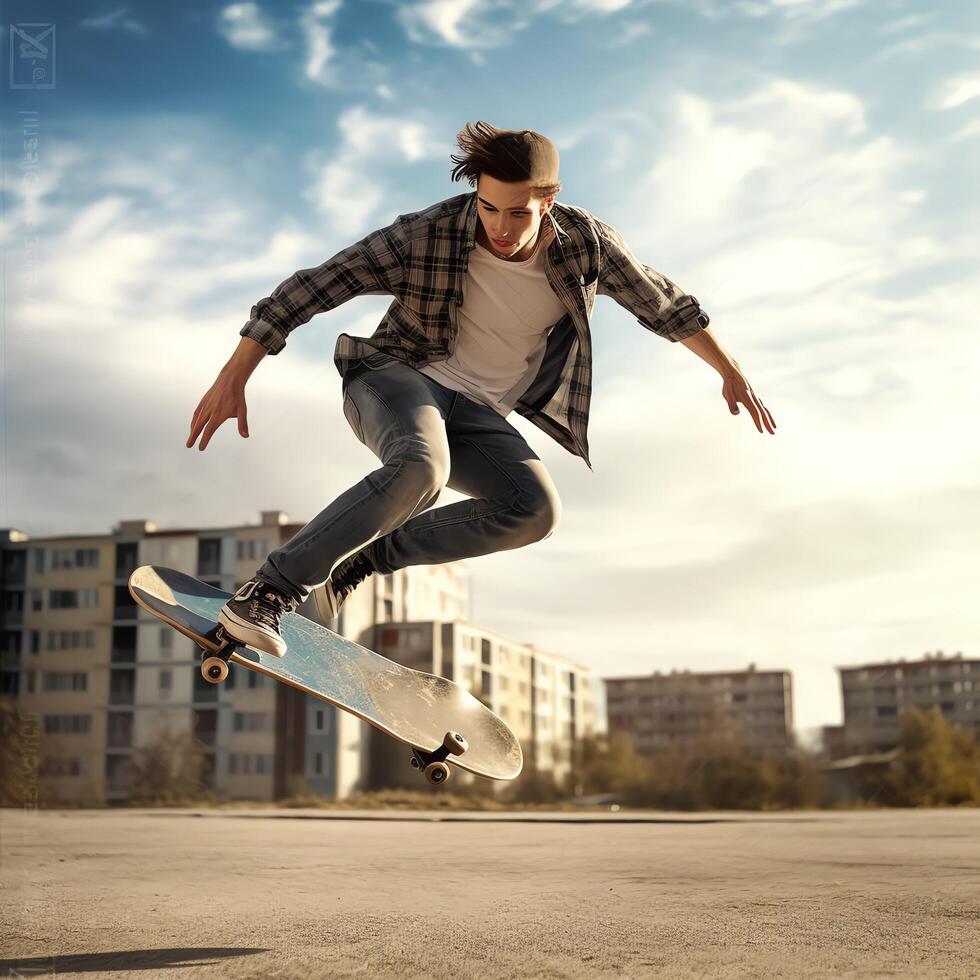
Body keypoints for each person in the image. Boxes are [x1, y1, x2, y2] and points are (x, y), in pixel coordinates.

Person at [186, 120, 775, 657]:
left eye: (518, 213)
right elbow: (309, 288)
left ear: (550, 201)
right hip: (395, 377)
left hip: (478, 411)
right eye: (488, 208)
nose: (499, 227)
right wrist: (233, 376)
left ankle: (364, 559)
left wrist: (729, 369)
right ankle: (269, 591)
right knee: (422, 469)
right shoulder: (429, 233)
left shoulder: (588, 246)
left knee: (535, 511)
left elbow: (663, 302)